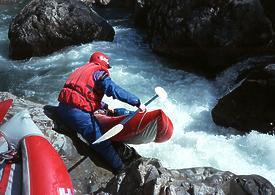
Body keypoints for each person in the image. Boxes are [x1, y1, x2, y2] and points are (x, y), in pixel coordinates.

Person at [56, 51, 146, 173]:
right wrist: (136, 102)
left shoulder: (82, 70)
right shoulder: (99, 72)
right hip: (77, 114)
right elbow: (112, 89)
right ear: (103, 62)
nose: (107, 69)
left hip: (62, 109)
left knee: (106, 111)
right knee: (102, 143)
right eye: (107, 66)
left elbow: (83, 93)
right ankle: (121, 170)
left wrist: (105, 106)